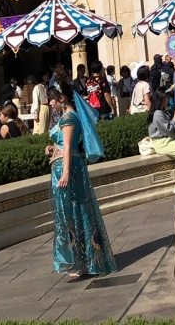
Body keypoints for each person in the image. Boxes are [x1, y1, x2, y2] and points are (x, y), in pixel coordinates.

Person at [45, 82, 118, 280]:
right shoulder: (66, 117)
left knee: (74, 212)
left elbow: (68, 147)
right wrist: (53, 149)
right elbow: (63, 145)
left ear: (62, 98)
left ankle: (83, 261)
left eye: (52, 99)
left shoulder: (69, 118)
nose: (50, 103)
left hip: (69, 169)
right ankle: (80, 259)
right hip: (63, 166)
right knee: (70, 213)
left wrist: (66, 172)